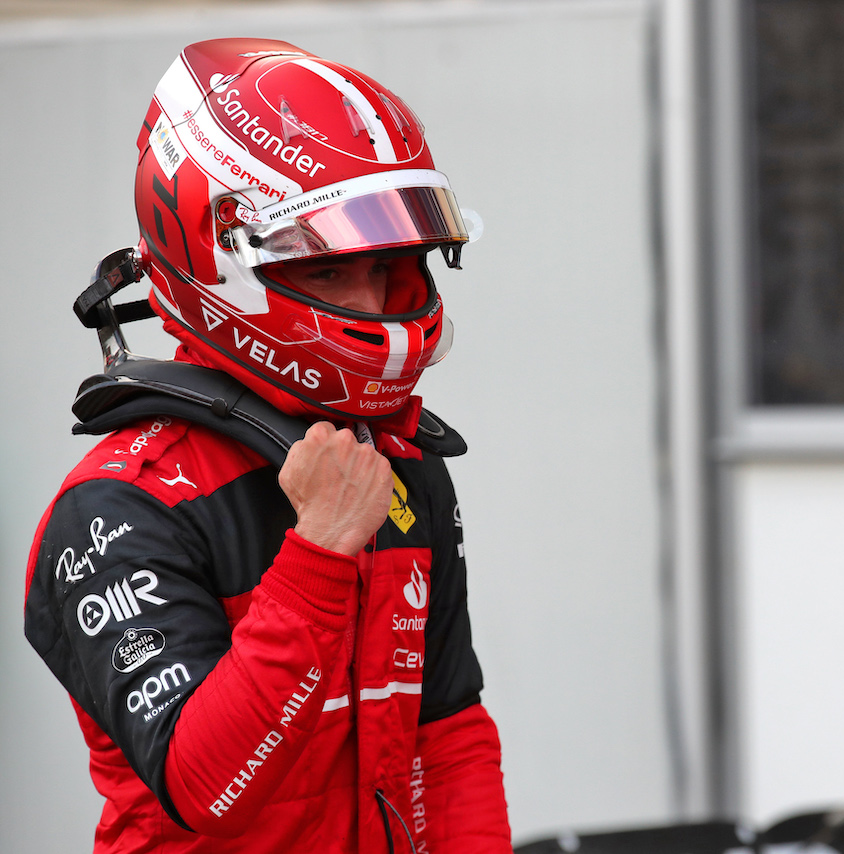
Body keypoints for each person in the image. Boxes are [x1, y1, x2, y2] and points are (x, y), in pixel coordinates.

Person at [23, 37, 511, 853]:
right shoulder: (115, 509)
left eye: (388, 266)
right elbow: (204, 789)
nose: (370, 299)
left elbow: (447, 736)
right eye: (327, 271)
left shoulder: (397, 463)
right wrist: (318, 552)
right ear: (217, 265)